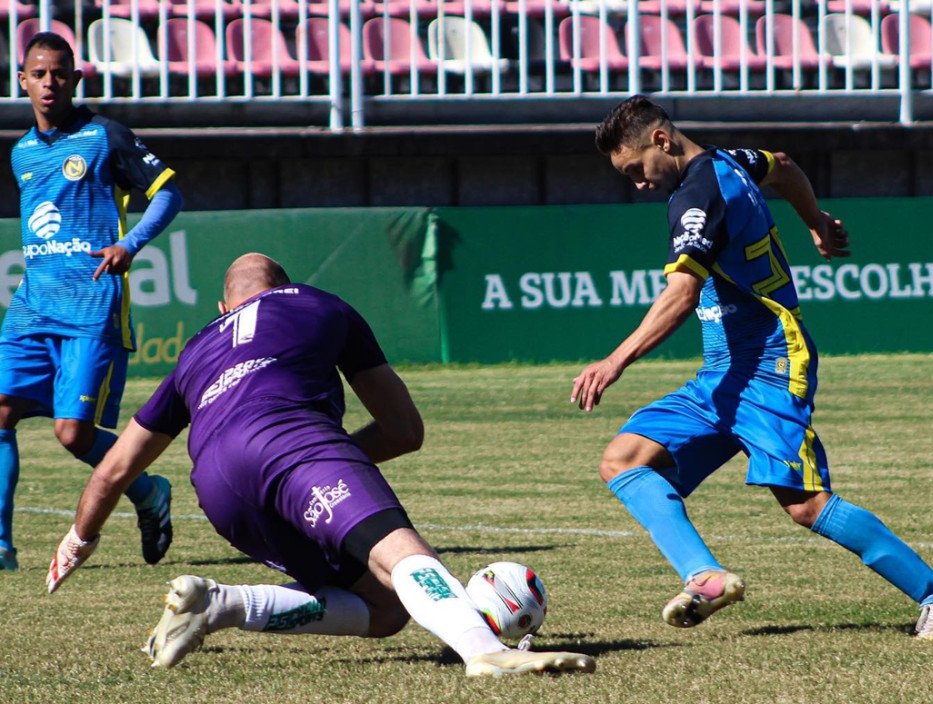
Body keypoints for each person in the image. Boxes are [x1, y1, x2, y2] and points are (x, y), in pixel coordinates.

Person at [46, 253, 596, 678]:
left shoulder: (193, 352)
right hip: (293, 441)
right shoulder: (318, 304)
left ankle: (221, 604)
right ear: (286, 287)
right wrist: (329, 465)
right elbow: (405, 430)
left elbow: (113, 469)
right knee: (399, 552)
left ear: (221, 309)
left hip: (219, 488)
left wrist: (79, 540)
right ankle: (484, 650)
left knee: (383, 610)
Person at [570, 95, 933, 640]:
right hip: (722, 371)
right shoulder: (731, 160)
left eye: (636, 170)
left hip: (768, 364)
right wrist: (817, 221)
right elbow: (781, 164)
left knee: (806, 506)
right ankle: (704, 574)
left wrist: (614, 361)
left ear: (661, 141)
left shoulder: (695, 195)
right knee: (623, 460)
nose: (639, 185)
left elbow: (682, 293)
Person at [0, 32, 182, 571]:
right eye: (39, 73)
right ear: (23, 81)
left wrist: (130, 244)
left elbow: (169, 192)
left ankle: (148, 492)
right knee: (1, 412)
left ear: (76, 80)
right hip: (32, 307)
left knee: (73, 434)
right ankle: (2, 545)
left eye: (60, 73)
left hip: (90, 310)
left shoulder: (106, 137)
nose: (49, 82)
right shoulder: (21, 152)